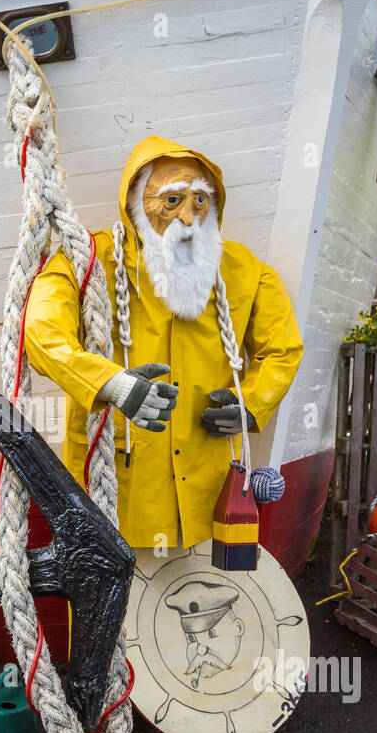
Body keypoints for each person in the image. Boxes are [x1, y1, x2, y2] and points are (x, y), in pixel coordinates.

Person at [23, 135, 304, 549]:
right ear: (136, 203)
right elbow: (42, 335)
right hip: (114, 488)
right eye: (171, 202)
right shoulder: (85, 263)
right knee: (111, 606)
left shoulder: (245, 271)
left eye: (200, 202)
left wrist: (254, 403)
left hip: (211, 499)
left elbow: (283, 349)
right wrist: (112, 385)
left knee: (209, 606)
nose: (189, 219)